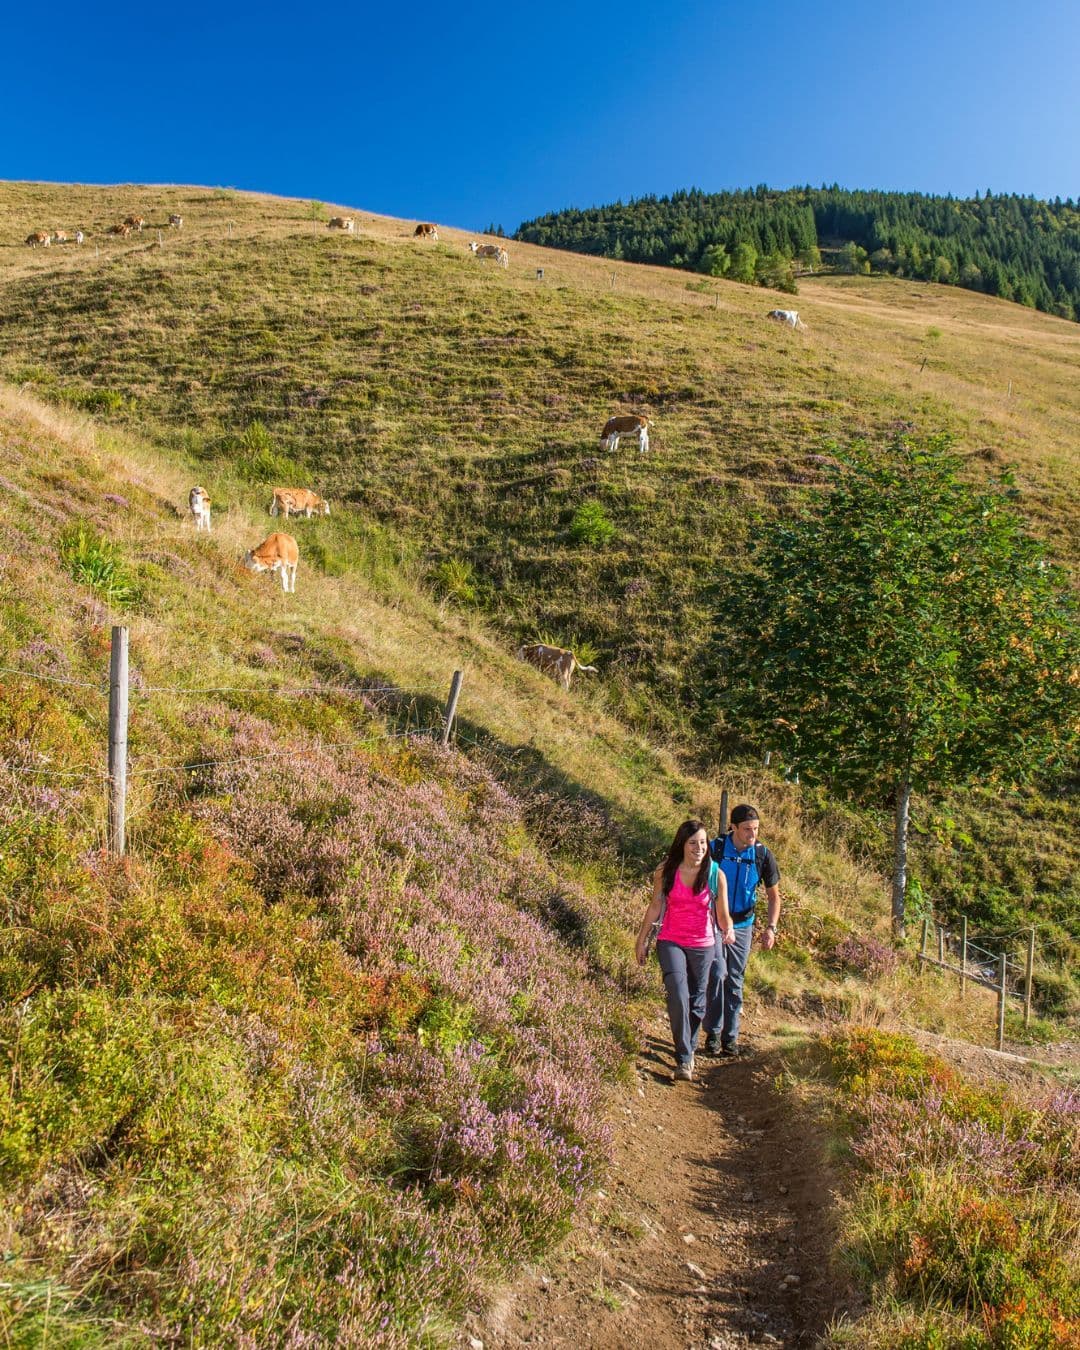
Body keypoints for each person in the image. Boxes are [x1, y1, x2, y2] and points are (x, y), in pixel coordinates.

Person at [635, 819, 735, 1081]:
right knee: (678, 993)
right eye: (693, 843)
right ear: (682, 844)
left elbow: (722, 914)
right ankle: (683, 1057)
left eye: (702, 843)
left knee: (697, 1001)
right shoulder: (666, 870)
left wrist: (729, 930)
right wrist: (642, 939)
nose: (699, 848)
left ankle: (687, 1051)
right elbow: (655, 906)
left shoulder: (715, 874)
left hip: (704, 944)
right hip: (671, 940)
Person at [701, 804, 781, 1058]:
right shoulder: (715, 849)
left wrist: (771, 928)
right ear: (733, 827)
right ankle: (712, 1033)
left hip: (744, 925)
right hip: (714, 922)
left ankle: (730, 1037)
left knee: (735, 979)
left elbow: (774, 897)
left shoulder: (762, 854)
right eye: (747, 829)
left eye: (756, 828)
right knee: (716, 974)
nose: (752, 834)